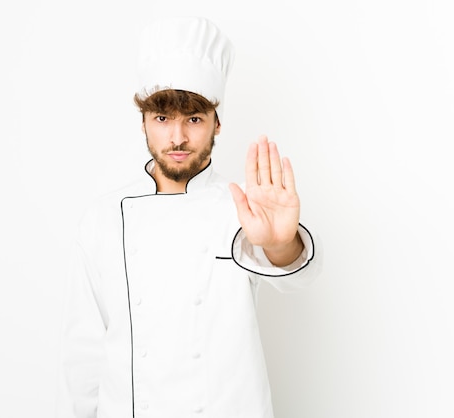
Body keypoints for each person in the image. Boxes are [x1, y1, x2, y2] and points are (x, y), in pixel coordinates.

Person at [56, 16, 318, 418]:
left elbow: (296, 278)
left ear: (216, 122)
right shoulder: (103, 220)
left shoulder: (241, 209)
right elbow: (84, 353)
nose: (177, 137)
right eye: (162, 118)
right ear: (143, 121)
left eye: (193, 119)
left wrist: (283, 243)